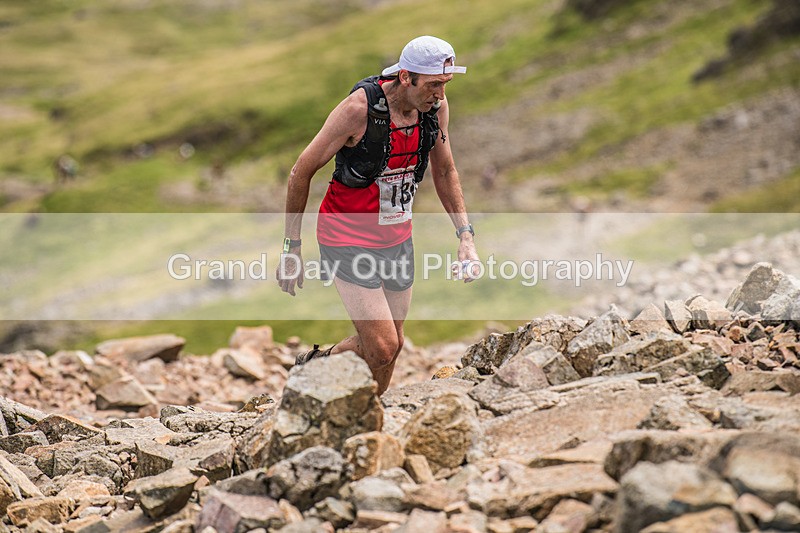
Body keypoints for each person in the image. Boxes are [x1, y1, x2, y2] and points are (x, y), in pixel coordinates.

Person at [277, 35, 480, 394]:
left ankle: (371, 416)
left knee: (392, 347)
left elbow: (446, 172)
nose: (440, 95)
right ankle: (314, 369)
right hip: (346, 237)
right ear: (406, 77)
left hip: (397, 237)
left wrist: (465, 236)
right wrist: (291, 246)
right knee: (383, 345)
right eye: (433, 85)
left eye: (445, 85)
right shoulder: (358, 110)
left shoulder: (435, 111)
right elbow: (300, 172)